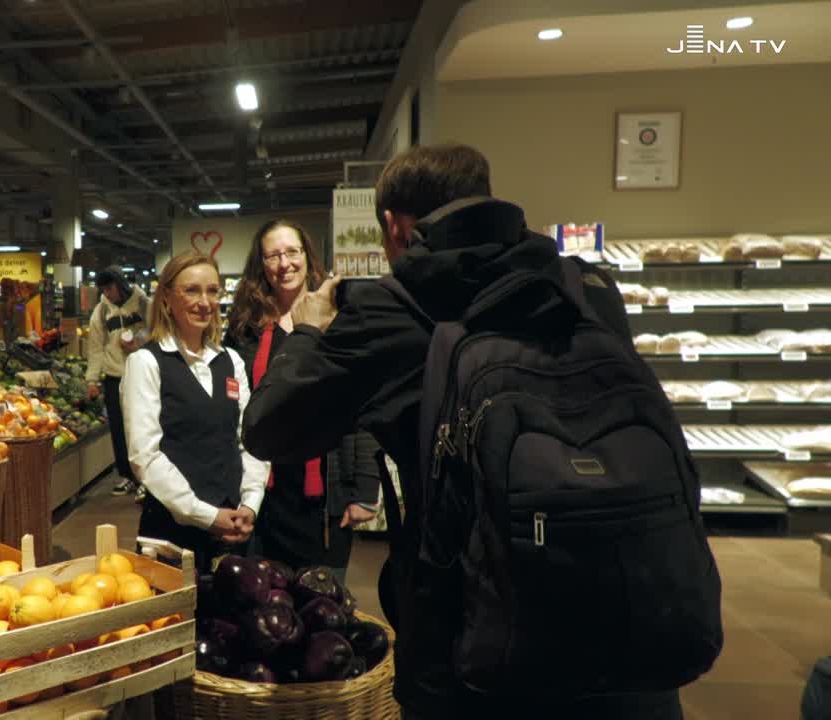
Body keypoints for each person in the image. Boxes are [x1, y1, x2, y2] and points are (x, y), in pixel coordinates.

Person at [241, 144, 687, 719]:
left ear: (395, 226)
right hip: (630, 620)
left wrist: (306, 333)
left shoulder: (390, 309)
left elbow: (269, 430)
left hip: (477, 648)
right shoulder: (586, 288)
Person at [225, 218, 381, 579]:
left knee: (324, 601)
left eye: (292, 252)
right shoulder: (246, 328)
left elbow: (362, 405)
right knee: (267, 603)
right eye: (273, 256)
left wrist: (365, 488)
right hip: (264, 488)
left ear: (307, 257)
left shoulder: (339, 321)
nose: (284, 264)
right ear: (260, 265)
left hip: (325, 489)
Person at [120, 251, 267, 574]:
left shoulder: (231, 361)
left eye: (212, 290)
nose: (205, 302)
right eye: (192, 290)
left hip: (233, 529)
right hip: (172, 534)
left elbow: (250, 439)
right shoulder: (146, 363)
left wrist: (250, 503)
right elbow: (145, 456)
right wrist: (204, 514)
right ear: (167, 298)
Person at [85, 265, 149, 496]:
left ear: (120, 284)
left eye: (110, 288)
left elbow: (158, 332)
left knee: (143, 426)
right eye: (103, 289)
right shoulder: (102, 311)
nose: (107, 293)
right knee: (119, 429)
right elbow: (95, 348)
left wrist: (139, 342)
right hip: (114, 376)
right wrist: (92, 380)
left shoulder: (143, 303)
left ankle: (146, 477)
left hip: (142, 374)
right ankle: (126, 475)